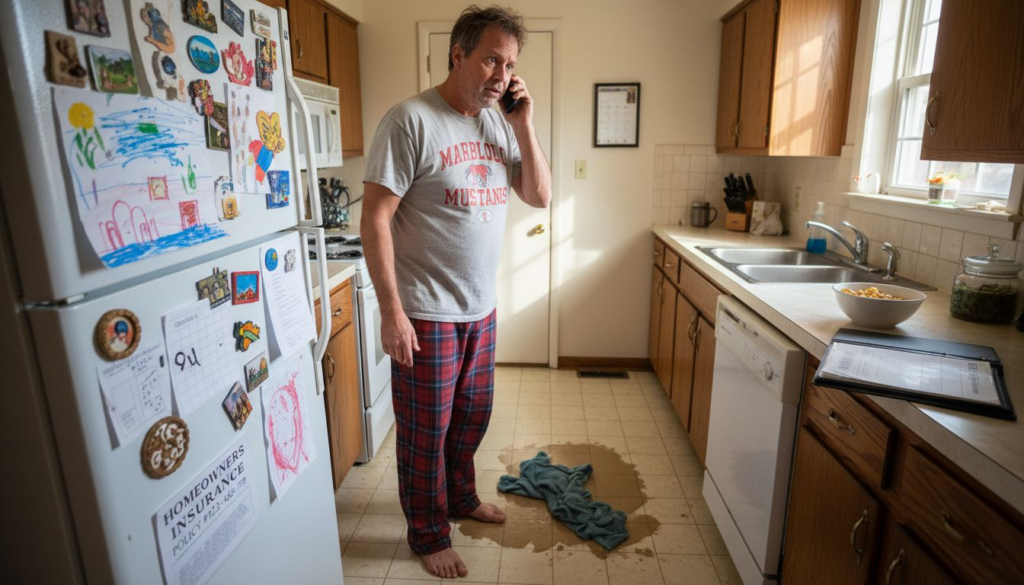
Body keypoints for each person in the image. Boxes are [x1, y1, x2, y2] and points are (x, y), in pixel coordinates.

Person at [361, 5, 551, 580]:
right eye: (492, 58)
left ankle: (461, 497)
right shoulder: (410, 121)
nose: (502, 74)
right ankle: (428, 533)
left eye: (510, 64)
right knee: (426, 433)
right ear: (458, 54)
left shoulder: (498, 122)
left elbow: (539, 196)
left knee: (471, 418)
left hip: (479, 308)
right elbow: (374, 219)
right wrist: (391, 312)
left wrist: (524, 124)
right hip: (426, 312)